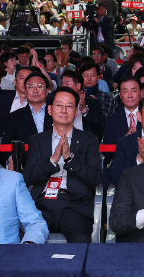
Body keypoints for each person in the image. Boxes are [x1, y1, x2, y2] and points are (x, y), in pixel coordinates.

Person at [23, 87, 102, 243]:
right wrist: (52, 161)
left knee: (80, 241)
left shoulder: (89, 140)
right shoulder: (37, 141)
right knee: (31, 240)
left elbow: (95, 177)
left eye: (69, 106)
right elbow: (28, 177)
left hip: (75, 206)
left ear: (76, 111)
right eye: (59, 105)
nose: (64, 110)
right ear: (50, 110)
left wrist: (70, 159)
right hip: (43, 206)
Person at [0, 72, 53, 169]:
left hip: (54, 165)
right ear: (25, 91)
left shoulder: (56, 114)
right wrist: (12, 159)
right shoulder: (15, 117)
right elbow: (6, 143)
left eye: (40, 86)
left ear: (47, 91)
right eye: (31, 87)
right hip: (25, 167)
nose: (35, 90)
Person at [0, 66, 34, 138]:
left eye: (28, 79)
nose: (25, 82)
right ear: (15, 81)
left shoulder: (36, 101)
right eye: (22, 78)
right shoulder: (3, 95)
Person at [102, 76, 143, 161]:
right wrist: (125, 142)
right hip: (121, 165)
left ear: (141, 93)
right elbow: (107, 151)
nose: (130, 95)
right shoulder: (112, 119)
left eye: (134, 91)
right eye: (125, 92)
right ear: (120, 95)